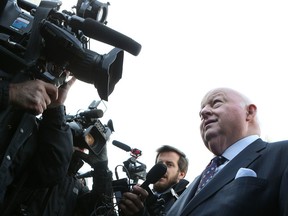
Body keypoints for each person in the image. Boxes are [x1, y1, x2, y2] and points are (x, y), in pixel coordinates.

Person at [165, 87, 288, 216]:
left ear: (249, 112)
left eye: (216, 103)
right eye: (201, 111)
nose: (204, 112)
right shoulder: (194, 184)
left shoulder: (283, 154)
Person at [0, 70, 76, 215]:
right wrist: (9, 93)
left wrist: (55, 109)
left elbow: (52, 170)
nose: (64, 72)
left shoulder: (30, 121)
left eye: (67, 70)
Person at [119, 145, 189, 216]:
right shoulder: (144, 197)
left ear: (181, 174)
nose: (162, 168)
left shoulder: (187, 201)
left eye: (169, 164)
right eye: (159, 164)